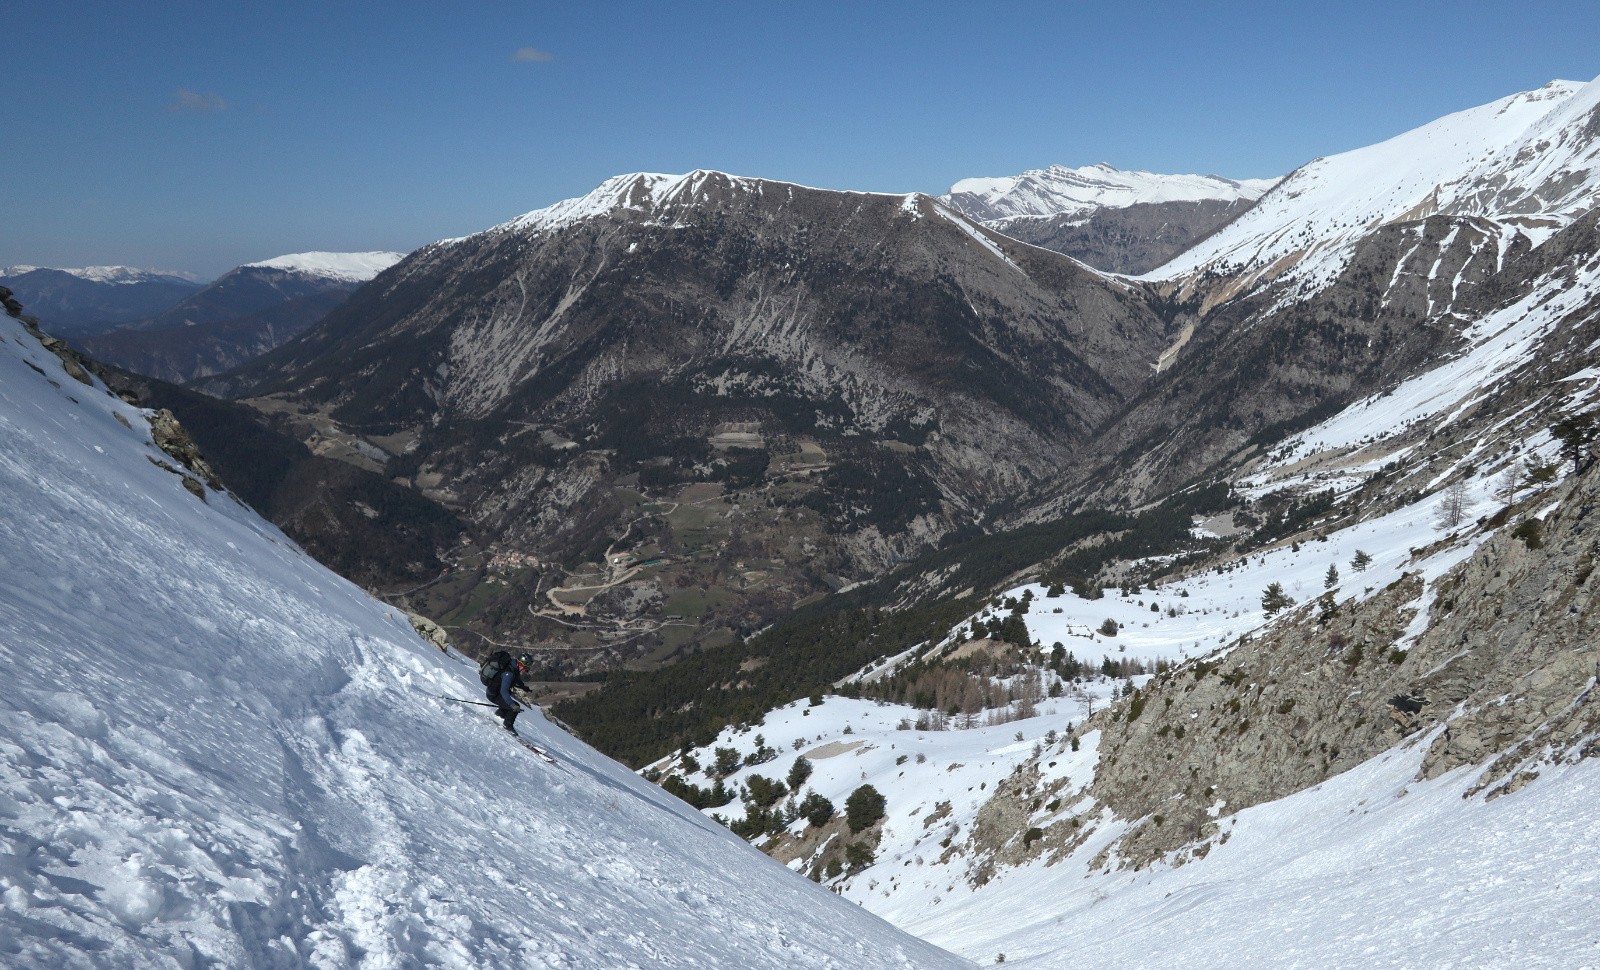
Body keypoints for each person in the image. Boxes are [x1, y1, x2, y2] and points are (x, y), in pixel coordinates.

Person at [480, 650, 529, 734]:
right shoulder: (509, 673)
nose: (526, 671)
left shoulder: (513, 667)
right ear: (521, 665)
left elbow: (516, 679)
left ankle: (498, 716)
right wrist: (512, 705)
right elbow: (504, 691)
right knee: (515, 706)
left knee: (508, 704)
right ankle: (508, 725)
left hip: (494, 691)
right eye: (526, 668)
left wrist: (523, 687)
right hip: (493, 694)